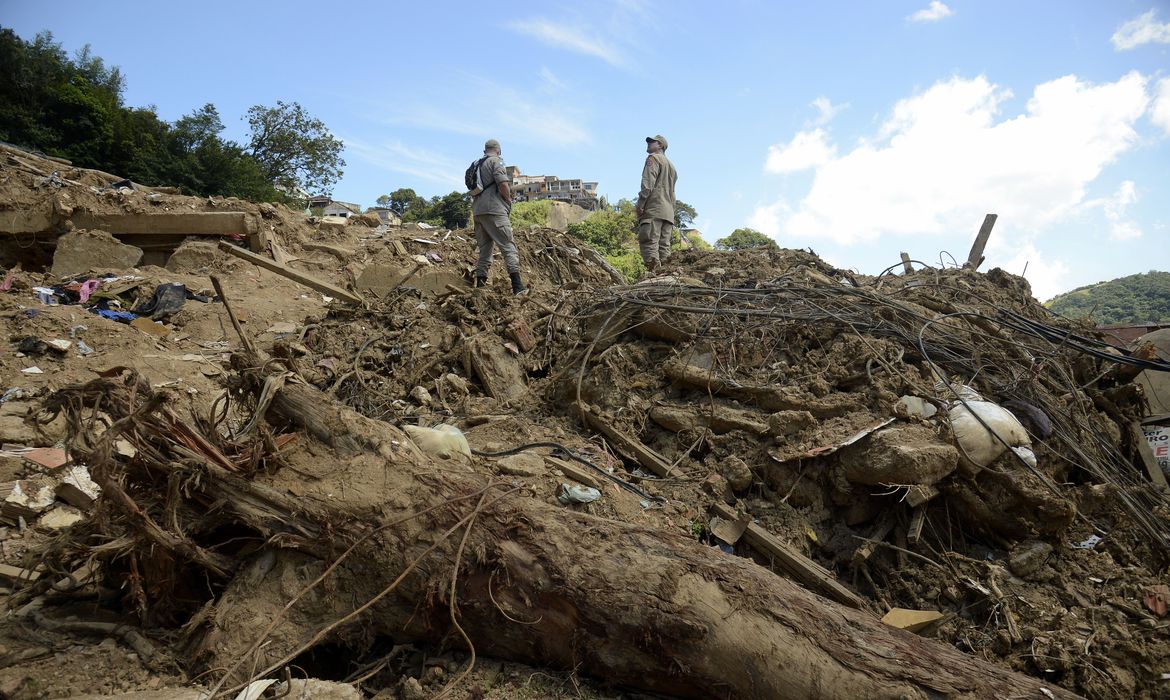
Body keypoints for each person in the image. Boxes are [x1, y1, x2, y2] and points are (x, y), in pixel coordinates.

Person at [471, 138, 526, 294]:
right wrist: (508, 201)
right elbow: (503, 184)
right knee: (508, 246)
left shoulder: (477, 164)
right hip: (494, 209)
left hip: (477, 211)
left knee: (485, 250)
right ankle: (518, 287)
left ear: (484, 150)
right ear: (498, 150)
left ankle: (480, 287)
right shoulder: (497, 161)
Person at [634, 135, 677, 272]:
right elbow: (673, 193)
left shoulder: (653, 159)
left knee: (649, 243)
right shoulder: (672, 166)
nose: (648, 144)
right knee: (664, 246)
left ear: (660, 145)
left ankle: (655, 276)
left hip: (654, 208)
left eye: (652, 142)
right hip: (668, 212)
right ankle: (666, 276)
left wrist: (640, 204)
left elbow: (647, 185)